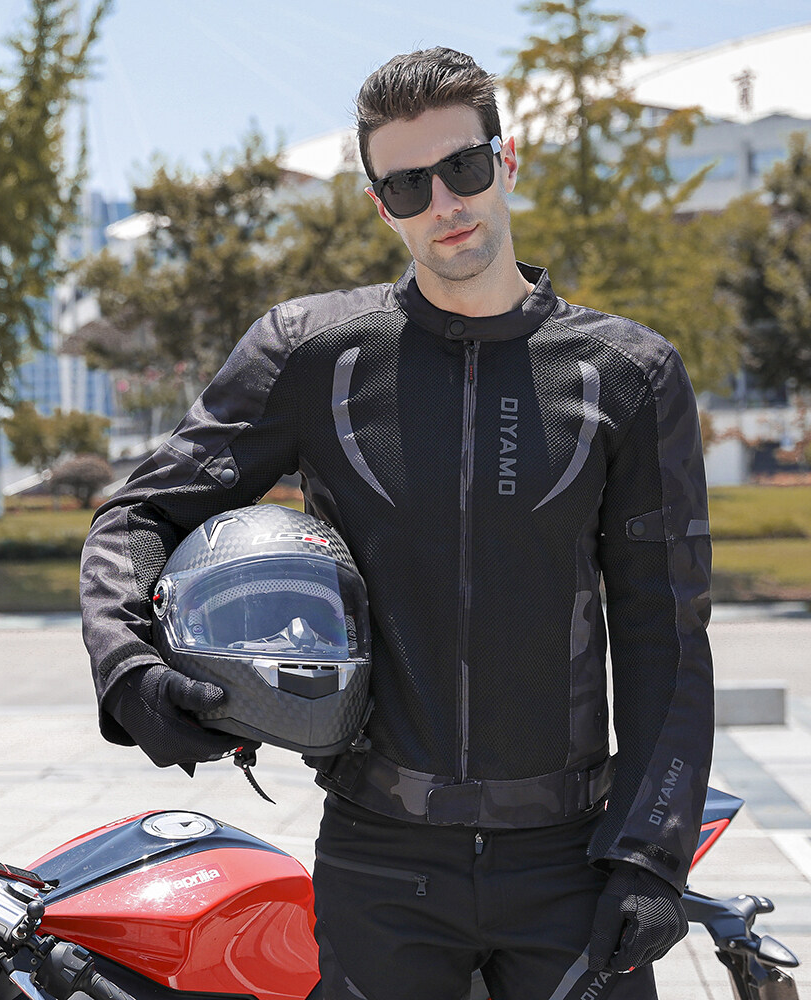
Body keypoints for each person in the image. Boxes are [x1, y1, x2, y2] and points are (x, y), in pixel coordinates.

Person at [80, 47, 714, 1000]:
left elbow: (666, 632)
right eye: (409, 186)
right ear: (382, 206)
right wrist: (130, 670)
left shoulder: (629, 374)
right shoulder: (313, 354)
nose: (444, 204)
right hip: (378, 865)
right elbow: (140, 515)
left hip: (571, 864)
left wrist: (651, 853)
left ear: (506, 160)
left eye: (463, 167)